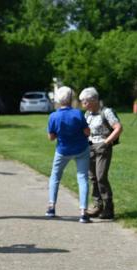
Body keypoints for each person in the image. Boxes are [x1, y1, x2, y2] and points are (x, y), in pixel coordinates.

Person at [45, 86, 91, 223]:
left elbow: (51, 137)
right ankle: (83, 211)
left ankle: (51, 207)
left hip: (63, 150)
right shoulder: (78, 114)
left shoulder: (53, 116)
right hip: (81, 149)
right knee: (82, 178)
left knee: (55, 177)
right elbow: (87, 132)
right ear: (71, 99)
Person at [79, 87, 122, 219]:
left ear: (93, 100)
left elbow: (118, 128)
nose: (83, 104)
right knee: (93, 177)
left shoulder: (106, 112)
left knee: (101, 176)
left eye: (84, 101)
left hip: (103, 147)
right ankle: (97, 206)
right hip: (90, 147)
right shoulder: (87, 114)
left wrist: (107, 142)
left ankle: (109, 208)